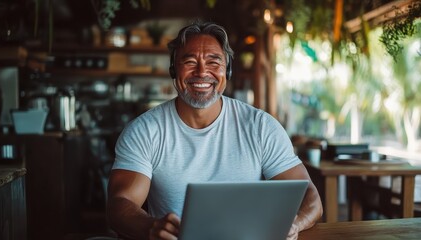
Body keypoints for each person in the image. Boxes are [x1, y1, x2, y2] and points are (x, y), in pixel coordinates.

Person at [107, 21, 323, 240]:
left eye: (214, 62)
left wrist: (295, 223)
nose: (202, 72)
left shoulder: (261, 126)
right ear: (174, 70)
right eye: (190, 61)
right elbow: (120, 204)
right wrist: (150, 227)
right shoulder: (144, 131)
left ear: (227, 70)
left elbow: (310, 196)